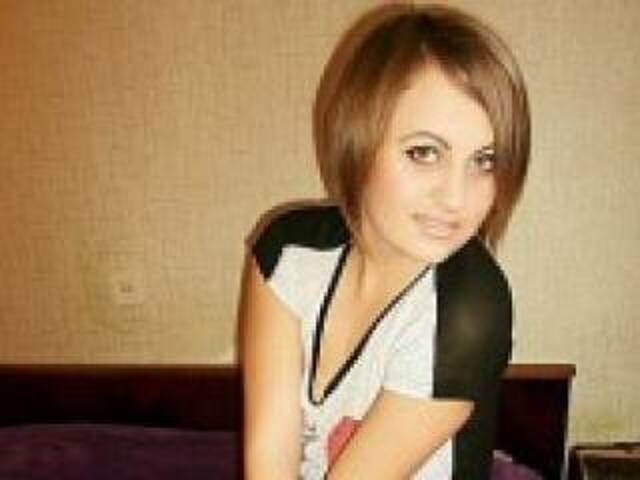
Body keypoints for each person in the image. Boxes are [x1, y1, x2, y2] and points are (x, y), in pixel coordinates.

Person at [239, 3, 530, 479]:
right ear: (357, 140)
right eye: (424, 152)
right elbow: (269, 462)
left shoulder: (469, 311)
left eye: (484, 161)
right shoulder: (287, 255)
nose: (456, 198)